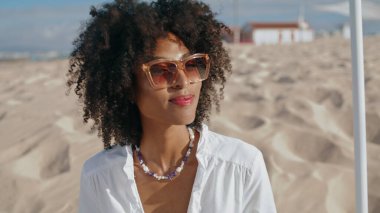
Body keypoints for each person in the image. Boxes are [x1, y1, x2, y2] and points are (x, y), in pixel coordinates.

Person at [67, 0, 277, 212]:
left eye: (192, 64)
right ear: (127, 86)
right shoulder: (99, 177)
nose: (183, 81)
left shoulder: (242, 166)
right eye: (161, 70)